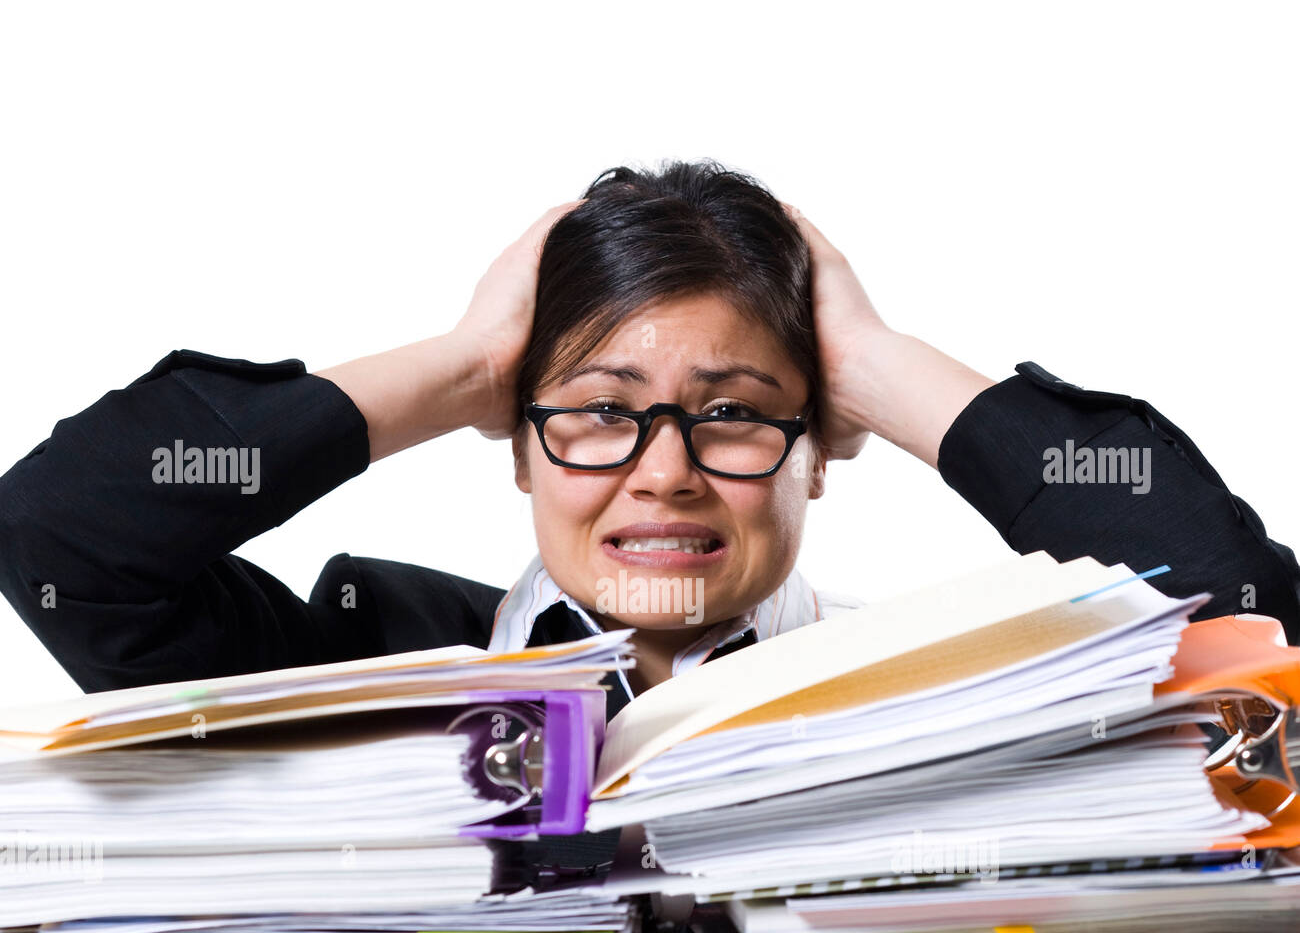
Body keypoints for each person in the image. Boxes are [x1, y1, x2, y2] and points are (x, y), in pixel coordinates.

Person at [1, 160, 1297, 719]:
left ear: (820, 446)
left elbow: (1253, 628)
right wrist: (453, 363)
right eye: (600, 411)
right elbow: (61, 535)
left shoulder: (932, 696)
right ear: (512, 441)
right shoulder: (353, 672)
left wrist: (886, 365)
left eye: (733, 411)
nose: (664, 468)